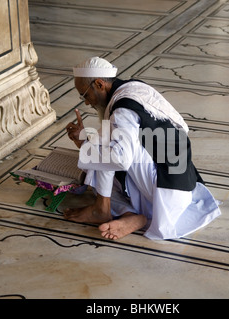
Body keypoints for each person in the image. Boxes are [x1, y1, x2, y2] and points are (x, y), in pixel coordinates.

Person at [64, 57, 221, 240]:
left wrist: (87, 144)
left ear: (99, 84)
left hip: (164, 190)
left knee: (105, 144)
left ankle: (102, 210)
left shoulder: (123, 111)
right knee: (102, 154)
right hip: (179, 184)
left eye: (85, 95)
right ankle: (131, 216)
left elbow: (120, 159)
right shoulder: (133, 88)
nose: (87, 103)